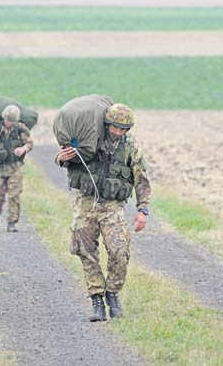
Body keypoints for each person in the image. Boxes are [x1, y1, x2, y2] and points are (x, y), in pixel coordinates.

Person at [56, 104, 151, 322]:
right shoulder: (89, 140)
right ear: (107, 124)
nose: (118, 132)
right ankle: (97, 298)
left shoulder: (130, 149)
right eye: (114, 127)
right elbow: (63, 159)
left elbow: (142, 180)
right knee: (84, 251)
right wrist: (62, 157)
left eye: (123, 129)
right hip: (85, 204)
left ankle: (113, 293)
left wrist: (142, 209)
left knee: (119, 250)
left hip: (112, 207)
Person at [0, 105, 33, 233]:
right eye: (8, 121)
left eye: (12, 121)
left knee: (14, 195)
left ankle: (12, 222)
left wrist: (23, 149)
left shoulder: (20, 129)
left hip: (14, 166)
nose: (10, 124)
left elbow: (30, 143)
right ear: (4, 118)